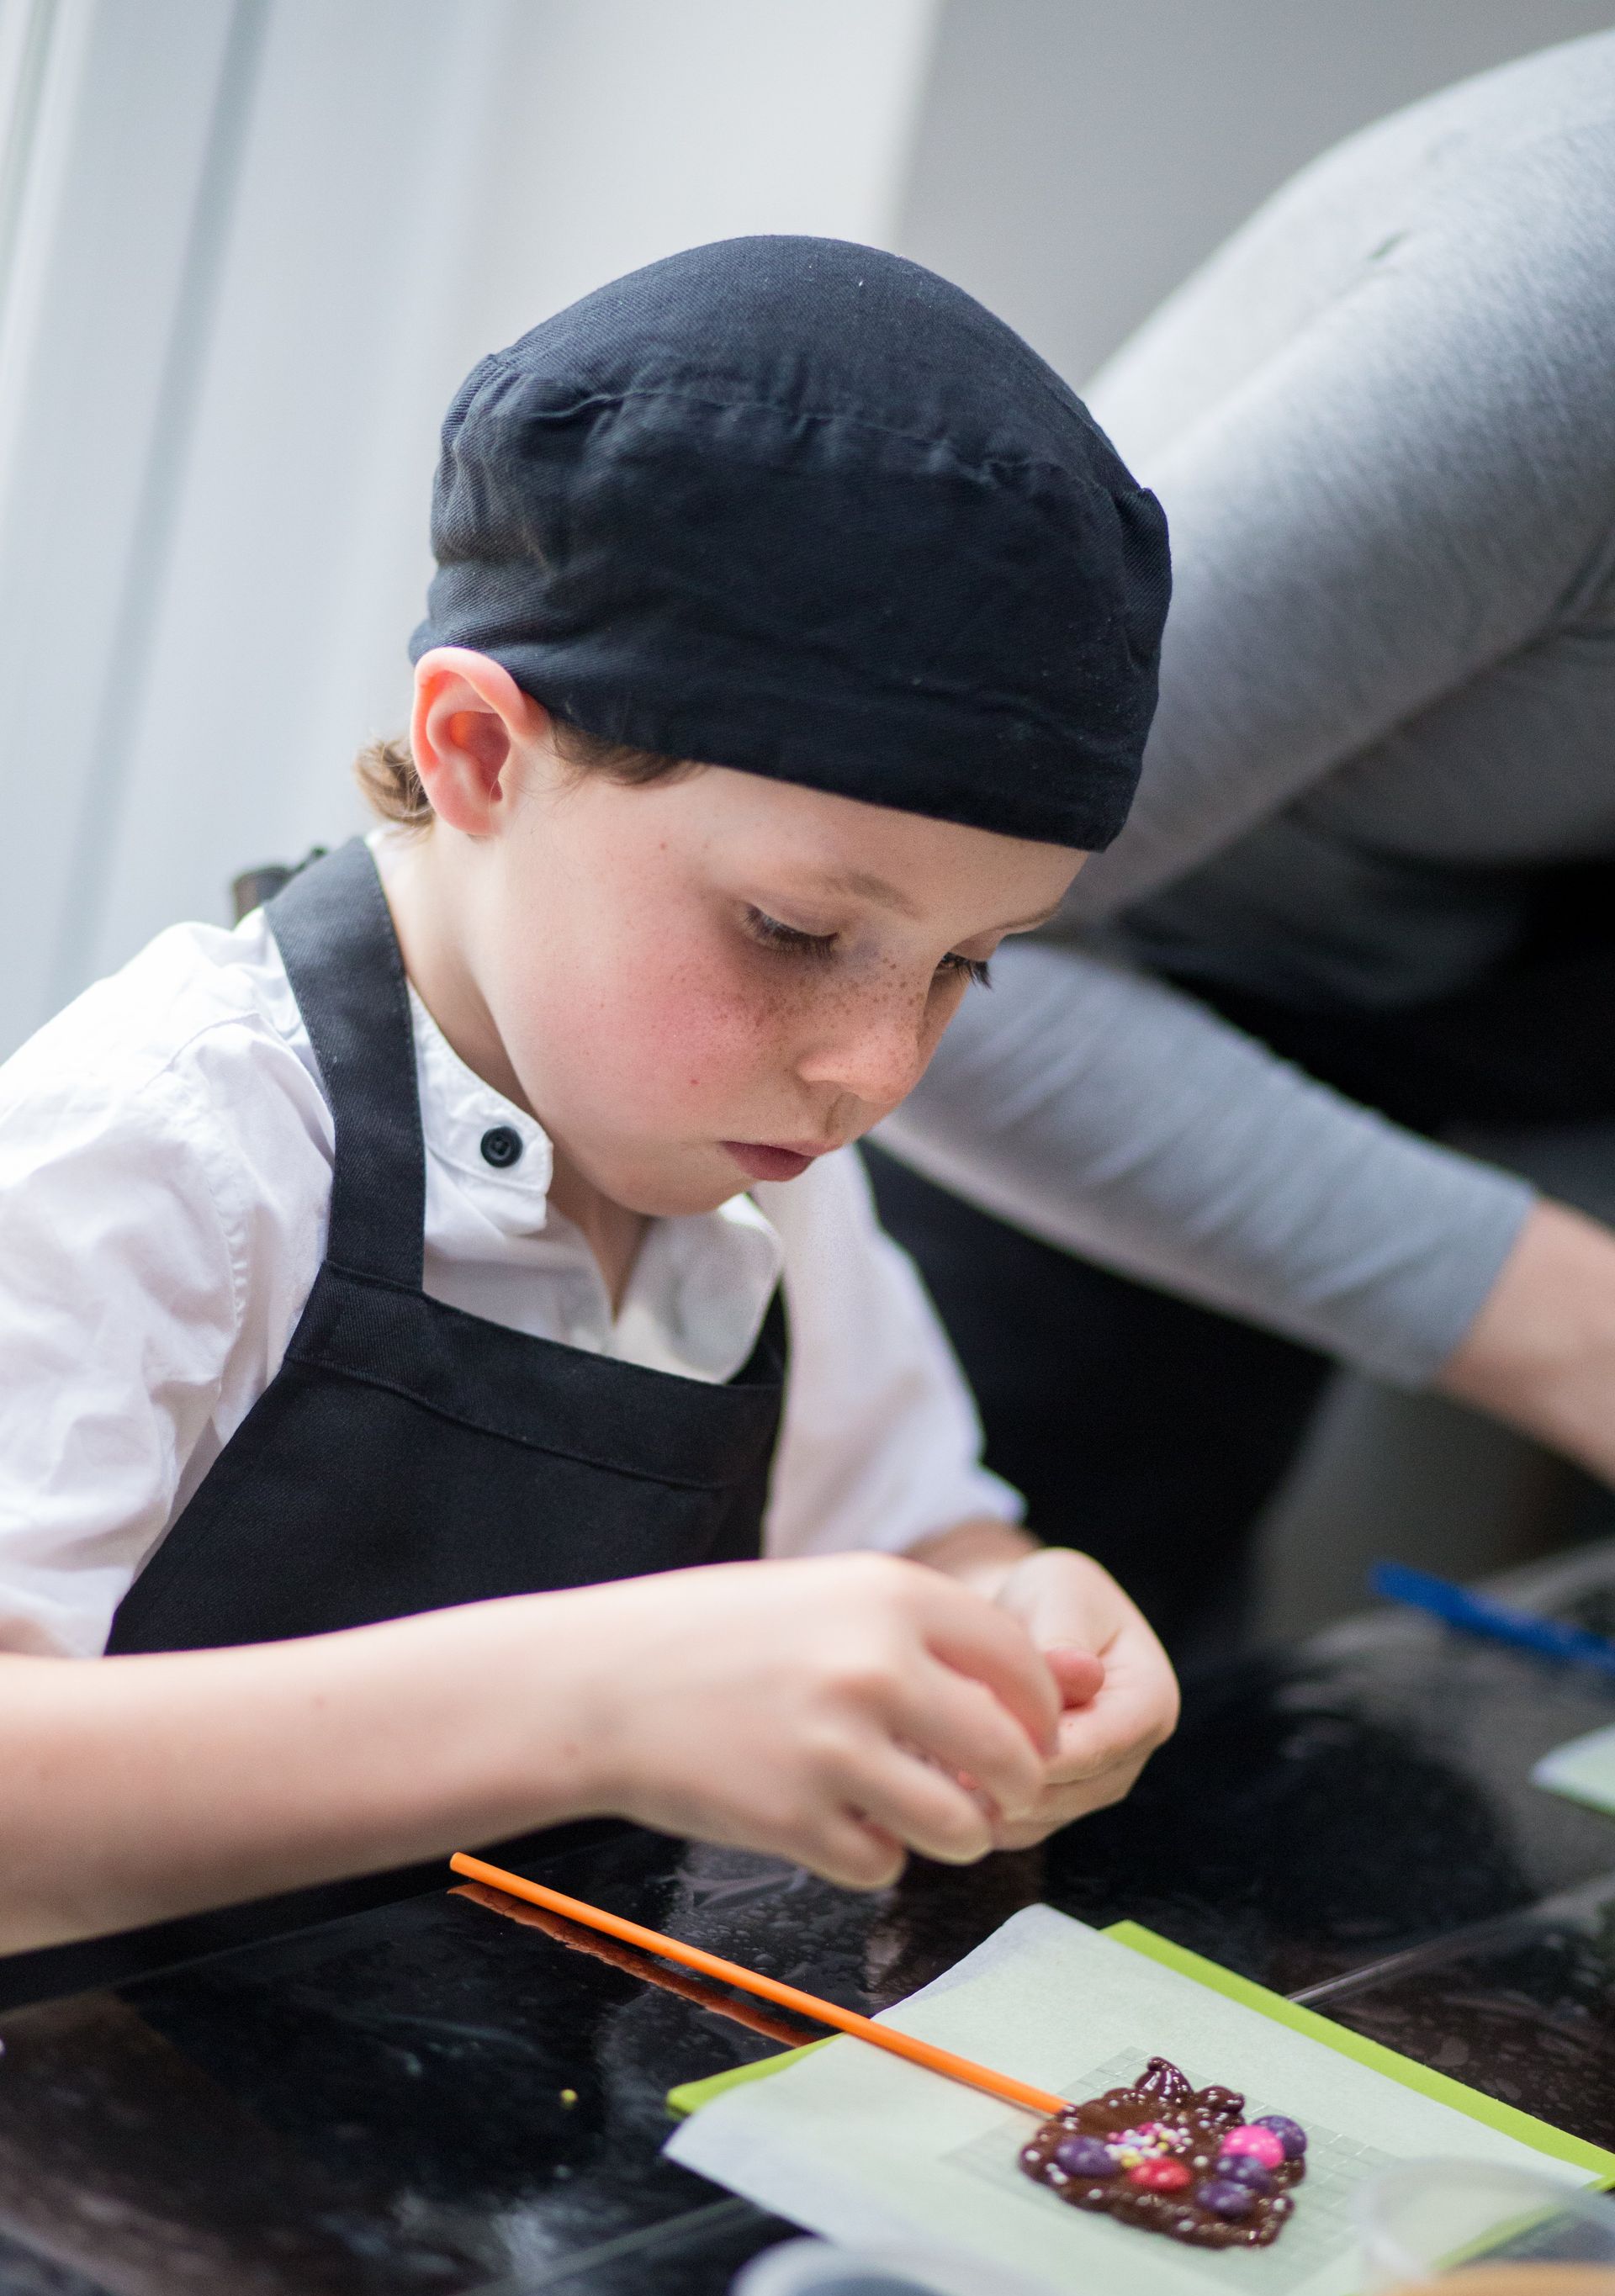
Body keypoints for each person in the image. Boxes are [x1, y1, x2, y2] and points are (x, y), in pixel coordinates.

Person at [0, 236, 1178, 1954]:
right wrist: (595, 1705)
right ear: (480, 753)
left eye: (964, 965)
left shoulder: (759, 1164)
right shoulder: (168, 1148)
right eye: (792, 931)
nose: (875, 1070)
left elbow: (916, 1531)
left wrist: (1018, 1611)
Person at [869, 30, 1615, 1646]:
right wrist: (1575, 1331)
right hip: (1065, 1067)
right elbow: (893, 965)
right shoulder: (1568, 321)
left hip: (1442, 1010)